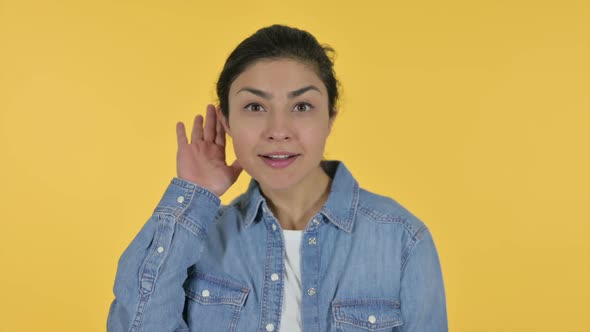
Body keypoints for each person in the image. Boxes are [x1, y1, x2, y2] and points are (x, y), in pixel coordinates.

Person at [107, 24, 448, 332]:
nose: (279, 131)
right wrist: (195, 195)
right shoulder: (199, 238)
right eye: (255, 107)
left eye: (302, 107)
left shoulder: (403, 240)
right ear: (226, 122)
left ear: (330, 118)